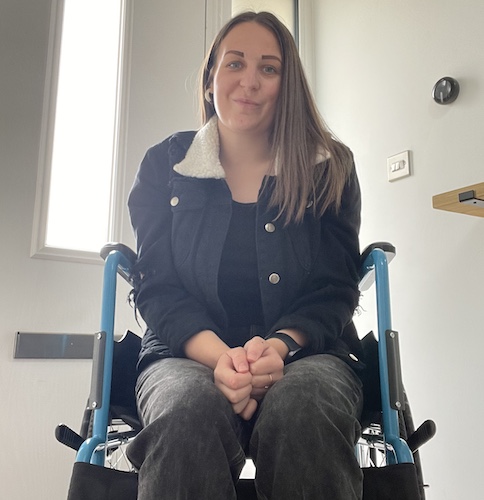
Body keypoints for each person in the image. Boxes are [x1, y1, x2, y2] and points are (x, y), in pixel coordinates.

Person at [126, 10, 364, 500]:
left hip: (307, 354)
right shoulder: (163, 164)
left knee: (306, 405)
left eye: (269, 68)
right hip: (184, 354)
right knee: (184, 411)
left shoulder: (330, 168)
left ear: (288, 84)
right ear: (211, 77)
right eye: (235, 64)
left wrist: (277, 348)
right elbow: (158, 285)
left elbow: (335, 287)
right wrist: (222, 359)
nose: (249, 82)